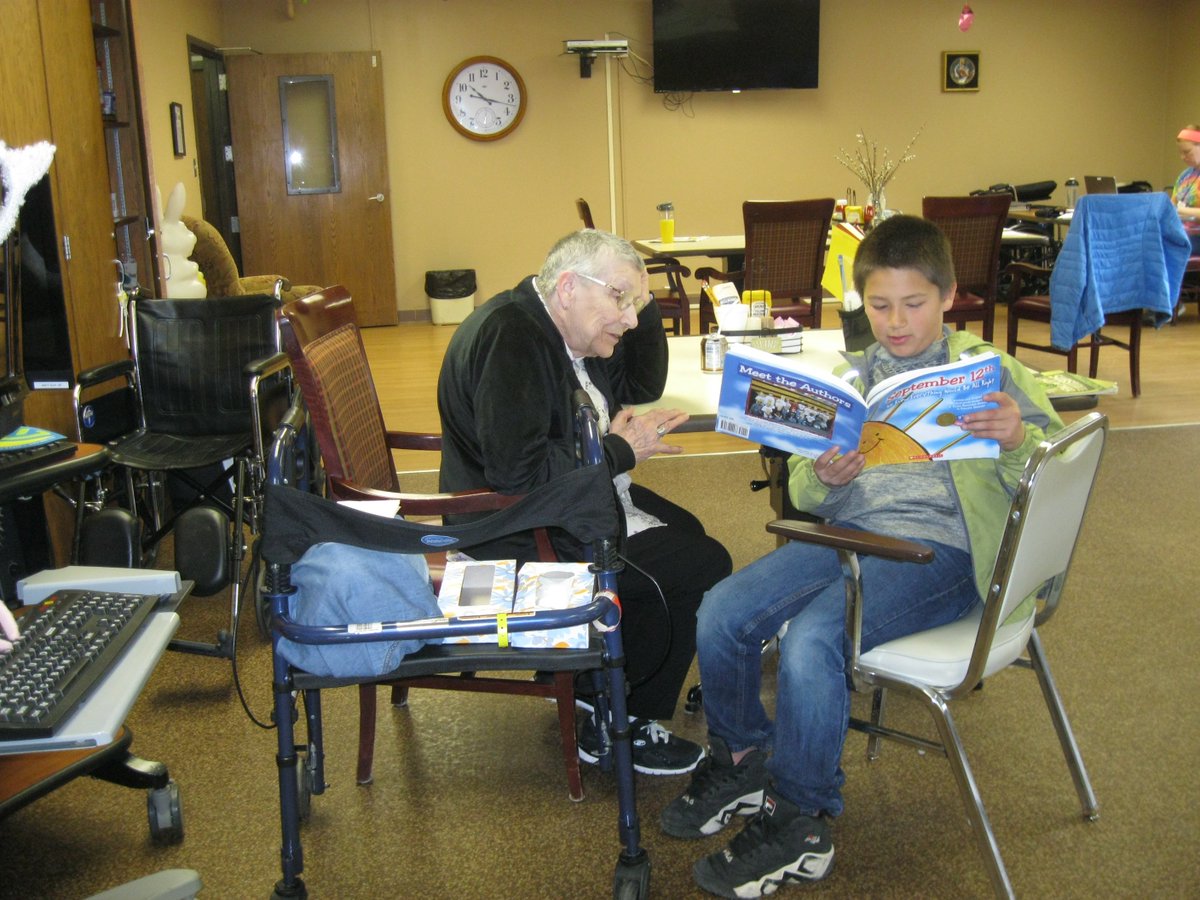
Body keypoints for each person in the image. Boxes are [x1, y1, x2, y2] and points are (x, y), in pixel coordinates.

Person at [659, 215, 1063, 897]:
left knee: (817, 637)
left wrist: (1018, 436)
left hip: (944, 554)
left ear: (949, 295)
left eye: (913, 304)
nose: (896, 322)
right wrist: (828, 474)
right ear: (859, 302)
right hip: (851, 536)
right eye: (879, 305)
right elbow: (807, 490)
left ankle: (802, 819)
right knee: (722, 610)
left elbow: (1056, 470)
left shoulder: (993, 373)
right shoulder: (852, 375)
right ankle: (741, 758)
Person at [437, 228, 733, 776]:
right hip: (514, 527)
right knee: (702, 563)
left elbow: (643, 381)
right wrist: (618, 450)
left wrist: (639, 302)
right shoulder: (514, 337)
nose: (628, 319)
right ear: (569, 287)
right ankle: (616, 716)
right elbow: (515, 473)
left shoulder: (563, 329)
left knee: (687, 529)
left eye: (636, 305)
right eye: (619, 299)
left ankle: (578, 673)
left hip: (560, 501)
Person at [1172, 125, 1200, 220]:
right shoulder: (1184, 176)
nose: (1183, 157)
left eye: (1187, 152)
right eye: (1180, 153)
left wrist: (1180, 210)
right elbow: (1172, 204)